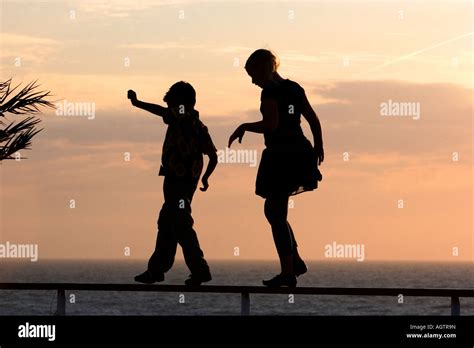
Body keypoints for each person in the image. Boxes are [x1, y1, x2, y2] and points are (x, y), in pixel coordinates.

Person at [229, 49, 324, 287]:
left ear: (264, 70)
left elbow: (271, 125)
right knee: (276, 213)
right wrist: (319, 146)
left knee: (275, 213)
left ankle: (288, 272)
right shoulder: (294, 88)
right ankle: (295, 262)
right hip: (299, 151)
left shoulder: (270, 92)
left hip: (282, 156)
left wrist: (244, 126)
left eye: (253, 75)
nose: (252, 81)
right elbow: (313, 119)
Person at [128, 81, 217, 286]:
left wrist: (137, 102)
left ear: (182, 102)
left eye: (172, 100)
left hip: (177, 183)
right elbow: (213, 156)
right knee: (168, 222)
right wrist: (205, 178)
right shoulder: (200, 126)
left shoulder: (181, 115)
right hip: (185, 185)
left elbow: (161, 111)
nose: (168, 104)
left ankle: (199, 269)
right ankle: (157, 270)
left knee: (181, 224)